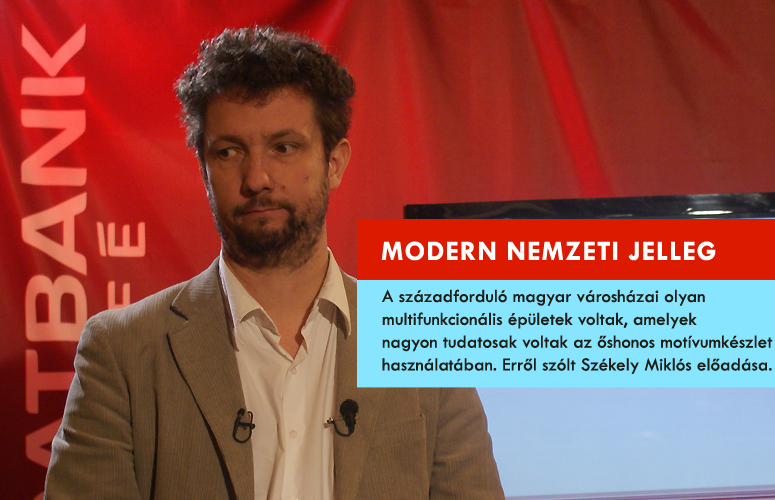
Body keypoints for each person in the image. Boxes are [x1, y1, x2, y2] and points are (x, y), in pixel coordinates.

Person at [44, 26, 504, 500]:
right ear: (204, 168)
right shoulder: (121, 352)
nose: (256, 178)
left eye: (283, 147)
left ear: (334, 163)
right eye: (229, 152)